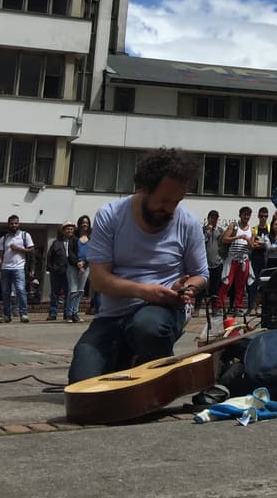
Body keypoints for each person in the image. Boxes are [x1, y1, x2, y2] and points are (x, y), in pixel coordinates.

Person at [67, 148, 208, 383]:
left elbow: (201, 273)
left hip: (161, 314)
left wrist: (188, 287)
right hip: (113, 315)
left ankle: (161, 375)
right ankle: (129, 357)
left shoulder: (188, 223)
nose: (170, 209)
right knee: (82, 382)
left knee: (148, 328)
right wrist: (146, 292)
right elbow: (100, 279)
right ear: (145, 188)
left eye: (177, 201)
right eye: (164, 200)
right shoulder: (110, 215)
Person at [0, 214, 34, 324]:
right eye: (12, 223)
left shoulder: (25, 235)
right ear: (8, 224)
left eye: (16, 223)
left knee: (20, 290)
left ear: (19, 224)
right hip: (5, 268)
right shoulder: (4, 238)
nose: (14, 225)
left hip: (19, 267)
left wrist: (18, 249)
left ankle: (24, 314)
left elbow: (31, 250)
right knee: (5, 292)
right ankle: (7, 315)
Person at [218, 207, 254, 316]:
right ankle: (219, 306)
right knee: (226, 283)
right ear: (240, 215)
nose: (246, 217)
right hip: (232, 259)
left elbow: (252, 247)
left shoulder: (251, 230)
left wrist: (247, 240)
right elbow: (225, 239)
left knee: (241, 285)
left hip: (244, 260)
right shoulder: (234, 226)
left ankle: (238, 307)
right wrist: (238, 237)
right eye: (244, 215)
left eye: (248, 215)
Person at [46, 223, 78, 321]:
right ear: (63, 231)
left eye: (71, 229)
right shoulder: (56, 242)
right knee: (55, 293)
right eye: (67, 229)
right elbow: (49, 256)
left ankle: (67, 313)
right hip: (57, 271)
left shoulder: (76, 242)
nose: (69, 231)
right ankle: (53, 313)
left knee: (69, 292)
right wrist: (51, 268)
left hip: (71, 271)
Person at [68, 215, 92, 323]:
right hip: (73, 266)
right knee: (73, 290)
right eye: (83, 222)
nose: (85, 224)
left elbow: (92, 253)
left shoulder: (91, 239)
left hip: (86, 267)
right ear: (79, 224)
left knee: (80, 291)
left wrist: (84, 264)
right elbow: (71, 253)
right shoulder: (73, 238)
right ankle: (69, 313)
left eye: (86, 222)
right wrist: (78, 263)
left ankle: (75, 313)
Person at [202, 209, 225, 310]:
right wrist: (207, 232)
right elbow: (201, 242)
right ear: (208, 218)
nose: (214, 220)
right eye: (212, 218)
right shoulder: (203, 229)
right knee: (202, 286)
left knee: (215, 287)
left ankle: (214, 307)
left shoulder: (220, 230)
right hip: (205, 262)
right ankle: (198, 307)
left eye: (216, 218)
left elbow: (223, 245)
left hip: (217, 262)